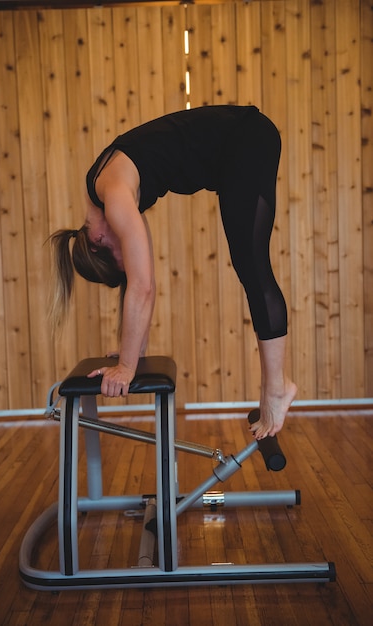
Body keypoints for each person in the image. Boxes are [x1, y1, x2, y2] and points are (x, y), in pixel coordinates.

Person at [49, 105, 297, 440]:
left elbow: (142, 285)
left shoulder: (115, 199)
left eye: (118, 261)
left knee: (252, 267)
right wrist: (132, 353)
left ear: (97, 240)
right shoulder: (111, 189)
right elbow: (142, 281)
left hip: (244, 137)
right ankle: (276, 387)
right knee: (249, 266)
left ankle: (276, 388)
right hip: (240, 145)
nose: (128, 254)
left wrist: (125, 368)